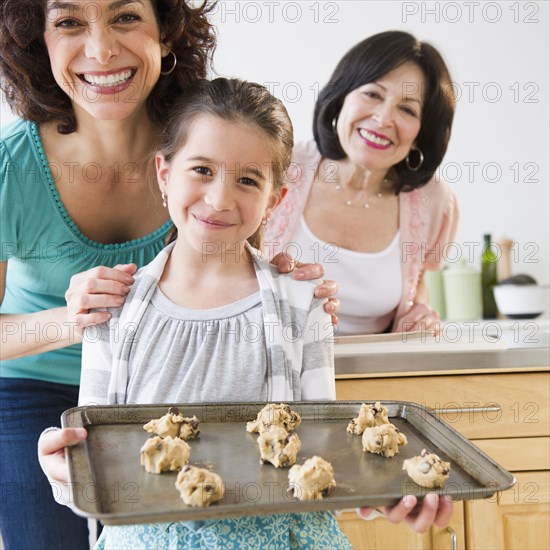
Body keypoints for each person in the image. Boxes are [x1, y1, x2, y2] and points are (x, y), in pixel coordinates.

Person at [39, 78, 453, 548]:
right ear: (163, 173)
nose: (219, 199)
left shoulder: (304, 304)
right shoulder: (113, 308)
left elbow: (325, 452)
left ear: (275, 200)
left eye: (247, 180)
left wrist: (384, 494)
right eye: (201, 169)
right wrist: (59, 467)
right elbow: (93, 467)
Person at [0, 2, 333, 548]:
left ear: (168, 34)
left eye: (126, 17)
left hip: (160, 392)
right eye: (69, 22)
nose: (101, 49)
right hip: (30, 384)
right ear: (40, 42)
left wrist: (289, 291)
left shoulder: (204, 139)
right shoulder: (9, 168)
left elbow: (241, 254)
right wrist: (72, 321)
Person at [266, 31, 459, 335]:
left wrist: (418, 316)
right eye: (373, 94)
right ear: (342, 97)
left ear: (422, 134)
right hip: (271, 370)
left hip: (374, 377)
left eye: (407, 109)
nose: (383, 119)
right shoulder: (281, 164)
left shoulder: (432, 201)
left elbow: (417, 283)